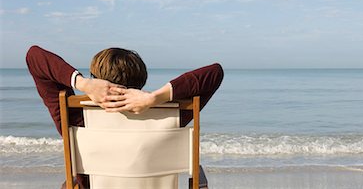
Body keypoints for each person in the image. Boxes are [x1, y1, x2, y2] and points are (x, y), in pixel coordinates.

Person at [26, 45, 224, 188]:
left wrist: (83, 83)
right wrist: (155, 98)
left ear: (98, 81)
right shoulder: (170, 116)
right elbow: (215, 73)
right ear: (142, 81)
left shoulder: (76, 118)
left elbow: (34, 56)